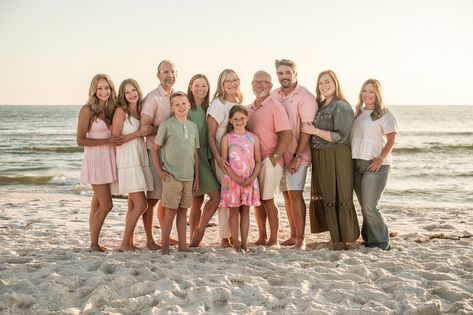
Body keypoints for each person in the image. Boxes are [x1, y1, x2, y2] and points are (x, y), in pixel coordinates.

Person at [301, 70, 360, 250]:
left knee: (339, 194)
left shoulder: (341, 106)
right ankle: (336, 237)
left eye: (327, 82)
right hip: (321, 155)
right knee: (328, 195)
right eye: (321, 83)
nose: (324, 86)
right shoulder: (321, 106)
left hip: (337, 154)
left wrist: (315, 131)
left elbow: (341, 136)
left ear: (335, 84)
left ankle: (344, 239)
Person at [271, 59, 317, 249]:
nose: (284, 76)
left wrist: (298, 156)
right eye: (281, 73)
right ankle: (292, 235)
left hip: (299, 155)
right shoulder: (274, 94)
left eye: (288, 73)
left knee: (296, 195)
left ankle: (301, 238)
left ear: (295, 74)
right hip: (280, 155)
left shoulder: (305, 96)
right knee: (287, 195)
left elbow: (307, 128)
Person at [76, 74, 123, 252]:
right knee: (107, 205)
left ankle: (93, 240)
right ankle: (94, 244)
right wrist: (107, 142)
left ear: (111, 89)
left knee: (96, 204)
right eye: (100, 88)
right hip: (95, 162)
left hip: (109, 160)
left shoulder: (111, 110)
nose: (103, 91)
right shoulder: (87, 110)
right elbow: (80, 140)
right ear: (94, 90)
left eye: (107, 88)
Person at [351, 79, 398, 250]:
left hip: (376, 165)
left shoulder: (386, 114)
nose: (367, 95)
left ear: (377, 94)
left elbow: (392, 139)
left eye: (371, 91)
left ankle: (381, 242)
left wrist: (379, 159)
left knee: (371, 206)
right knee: (364, 206)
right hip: (357, 164)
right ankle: (370, 239)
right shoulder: (357, 112)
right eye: (364, 91)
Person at [150, 91, 199, 255]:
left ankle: (182, 245)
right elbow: (155, 150)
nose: (181, 107)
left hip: (188, 176)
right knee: (170, 211)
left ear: (189, 105)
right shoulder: (167, 125)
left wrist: (196, 176)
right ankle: (164, 246)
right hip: (171, 176)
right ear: (172, 107)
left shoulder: (193, 127)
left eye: (183, 103)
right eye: (177, 104)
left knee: (184, 211)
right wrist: (160, 171)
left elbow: (194, 153)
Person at [247, 70, 292, 247]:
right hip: (254, 162)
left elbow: (287, 134)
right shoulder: (249, 108)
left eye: (264, 82)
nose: (259, 85)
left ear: (271, 86)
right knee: (257, 201)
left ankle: (274, 239)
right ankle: (261, 236)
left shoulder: (275, 106)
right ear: (251, 85)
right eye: (256, 82)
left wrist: (275, 157)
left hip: (270, 160)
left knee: (268, 199)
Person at [112, 79, 154, 251]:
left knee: (132, 204)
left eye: (133, 90)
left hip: (139, 156)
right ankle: (124, 244)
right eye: (127, 91)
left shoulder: (139, 110)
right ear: (123, 95)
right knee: (141, 204)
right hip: (128, 159)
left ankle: (129, 242)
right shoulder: (121, 111)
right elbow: (115, 139)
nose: (131, 94)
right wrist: (139, 133)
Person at [141, 60, 177, 249]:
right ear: (158, 75)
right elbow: (144, 128)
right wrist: (166, 128)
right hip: (154, 152)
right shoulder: (152, 98)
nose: (169, 75)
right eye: (165, 72)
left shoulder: (176, 97)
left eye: (172, 71)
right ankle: (149, 239)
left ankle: (165, 235)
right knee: (152, 199)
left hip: (171, 155)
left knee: (167, 198)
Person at [207, 69, 243, 248]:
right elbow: (211, 134)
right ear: (221, 84)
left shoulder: (239, 103)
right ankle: (224, 237)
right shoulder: (218, 105)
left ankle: (233, 234)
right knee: (226, 196)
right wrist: (218, 158)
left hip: (239, 159)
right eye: (228, 81)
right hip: (223, 158)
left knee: (236, 196)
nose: (232, 83)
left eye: (234, 80)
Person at [219, 105, 261, 252]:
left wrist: (252, 178)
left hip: (249, 180)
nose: (239, 121)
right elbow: (224, 162)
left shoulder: (253, 137)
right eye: (235, 119)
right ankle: (235, 243)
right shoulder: (227, 138)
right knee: (234, 212)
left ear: (247, 119)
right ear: (230, 120)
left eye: (242, 118)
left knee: (245, 212)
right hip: (232, 181)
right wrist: (234, 177)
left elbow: (258, 161)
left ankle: (244, 242)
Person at [186, 74, 221, 247]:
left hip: (208, 156)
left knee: (198, 200)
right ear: (191, 86)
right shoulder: (187, 108)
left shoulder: (210, 107)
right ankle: (198, 232)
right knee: (214, 196)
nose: (201, 88)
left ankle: (194, 237)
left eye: (204, 85)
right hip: (194, 157)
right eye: (197, 85)